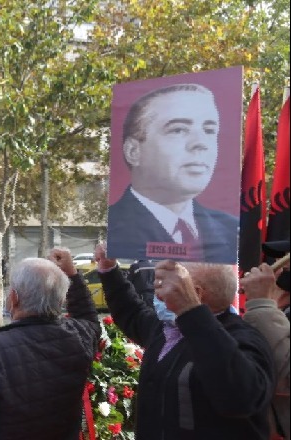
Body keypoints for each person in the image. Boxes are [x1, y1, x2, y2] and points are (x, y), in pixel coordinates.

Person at [96, 244, 274, 439]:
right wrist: (109, 270)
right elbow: (133, 313)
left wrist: (191, 311)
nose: (157, 295)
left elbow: (240, 397)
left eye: (168, 286)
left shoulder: (244, 338)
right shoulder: (169, 329)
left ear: (195, 293)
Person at [0, 248, 99, 439]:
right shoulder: (79, 338)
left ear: (14, 298)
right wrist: (72, 275)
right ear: (61, 300)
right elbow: (90, 320)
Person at [107, 84, 238, 264]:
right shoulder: (115, 228)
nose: (201, 143)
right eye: (178, 130)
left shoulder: (232, 229)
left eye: (209, 131)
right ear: (133, 151)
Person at [242, 262, 290, 440]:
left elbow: (281, 378)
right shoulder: (280, 312)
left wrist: (262, 304)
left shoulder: (269, 312)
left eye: (285, 269)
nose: (275, 274)